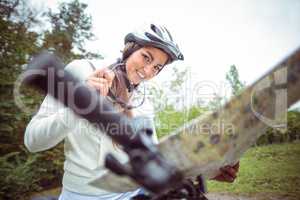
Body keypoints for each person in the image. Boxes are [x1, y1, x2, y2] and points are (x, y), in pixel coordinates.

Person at [24, 23, 239, 200]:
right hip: (83, 194)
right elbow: (32, 141)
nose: (148, 71)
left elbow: (151, 155)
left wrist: (212, 170)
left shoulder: (145, 100)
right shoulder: (82, 70)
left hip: (134, 193)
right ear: (130, 48)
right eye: (146, 57)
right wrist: (79, 105)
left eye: (157, 67)